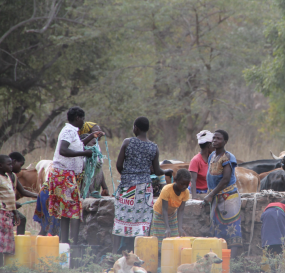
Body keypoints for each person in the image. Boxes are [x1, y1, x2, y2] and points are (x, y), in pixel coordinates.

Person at [112, 117, 172, 254]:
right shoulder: (153, 147)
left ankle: (114, 254)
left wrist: (127, 174)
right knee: (142, 222)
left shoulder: (127, 142)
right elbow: (157, 171)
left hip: (127, 187)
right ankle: (139, 254)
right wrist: (166, 171)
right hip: (144, 189)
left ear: (136, 128)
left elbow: (119, 165)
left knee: (120, 220)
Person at [49, 106, 103, 244]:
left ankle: (65, 243)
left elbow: (77, 146)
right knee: (73, 209)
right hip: (63, 175)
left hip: (66, 174)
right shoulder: (69, 131)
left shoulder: (73, 131)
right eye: (83, 119)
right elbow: (63, 150)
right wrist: (84, 153)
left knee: (66, 212)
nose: (83, 122)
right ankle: (72, 244)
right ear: (78, 118)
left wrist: (92, 136)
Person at [203, 130, 242, 259]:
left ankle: (232, 262)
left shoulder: (228, 157)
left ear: (225, 142)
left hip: (228, 197)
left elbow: (226, 179)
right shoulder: (211, 156)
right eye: (214, 138)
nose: (215, 140)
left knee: (233, 230)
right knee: (216, 229)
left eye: (218, 138)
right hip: (216, 197)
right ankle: (219, 259)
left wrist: (211, 194)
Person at [151, 169, 190, 252]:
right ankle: (159, 256)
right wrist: (167, 227)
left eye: (187, 185)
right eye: (182, 184)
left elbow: (181, 210)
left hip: (172, 214)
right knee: (161, 237)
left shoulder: (186, 192)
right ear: (175, 180)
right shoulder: (167, 190)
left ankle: (170, 255)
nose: (184, 187)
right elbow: (164, 209)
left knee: (174, 236)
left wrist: (180, 227)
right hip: (160, 213)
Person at [8, 152, 37, 235]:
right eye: (20, 165)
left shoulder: (13, 176)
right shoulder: (3, 177)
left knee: (21, 219)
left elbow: (23, 191)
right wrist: (13, 204)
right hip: (4, 208)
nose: (21, 169)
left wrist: (39, 196)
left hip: (8, 207)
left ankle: (19, 244)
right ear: (14, 161)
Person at [0, 155, 20, 266]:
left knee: (7, 240)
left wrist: (15, 211)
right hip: (1, 212)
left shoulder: (8, 177)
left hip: (8, 213)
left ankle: (6, 265)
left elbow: (11, 195)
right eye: (9, 164)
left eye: (11, 164)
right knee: (1, 240)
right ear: (0, 165)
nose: (11, 166)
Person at [189, 130, 214, 200]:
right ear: (209, 145)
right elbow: (193, 180)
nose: (214, 146)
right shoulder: (196, 160)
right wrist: (194, 198)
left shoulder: (212, 158)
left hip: (208, 191)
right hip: (197, 191)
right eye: (213, 144)